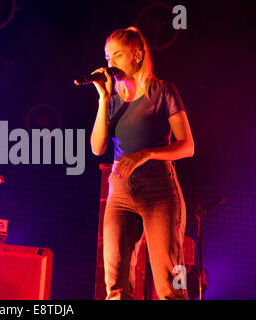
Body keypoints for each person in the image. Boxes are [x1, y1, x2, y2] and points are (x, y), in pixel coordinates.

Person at [90, 26, 194, 300]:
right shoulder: (112, 98)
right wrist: (103, 100)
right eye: (107, 57)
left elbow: (187, 146)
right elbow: (97, 147)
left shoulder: (163, 91)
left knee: (172, 283)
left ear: (137, 55)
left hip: (160, 190)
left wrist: (145, 153)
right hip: (121, 193)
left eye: (117, 56)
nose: (110, 63)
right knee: (115, 285)